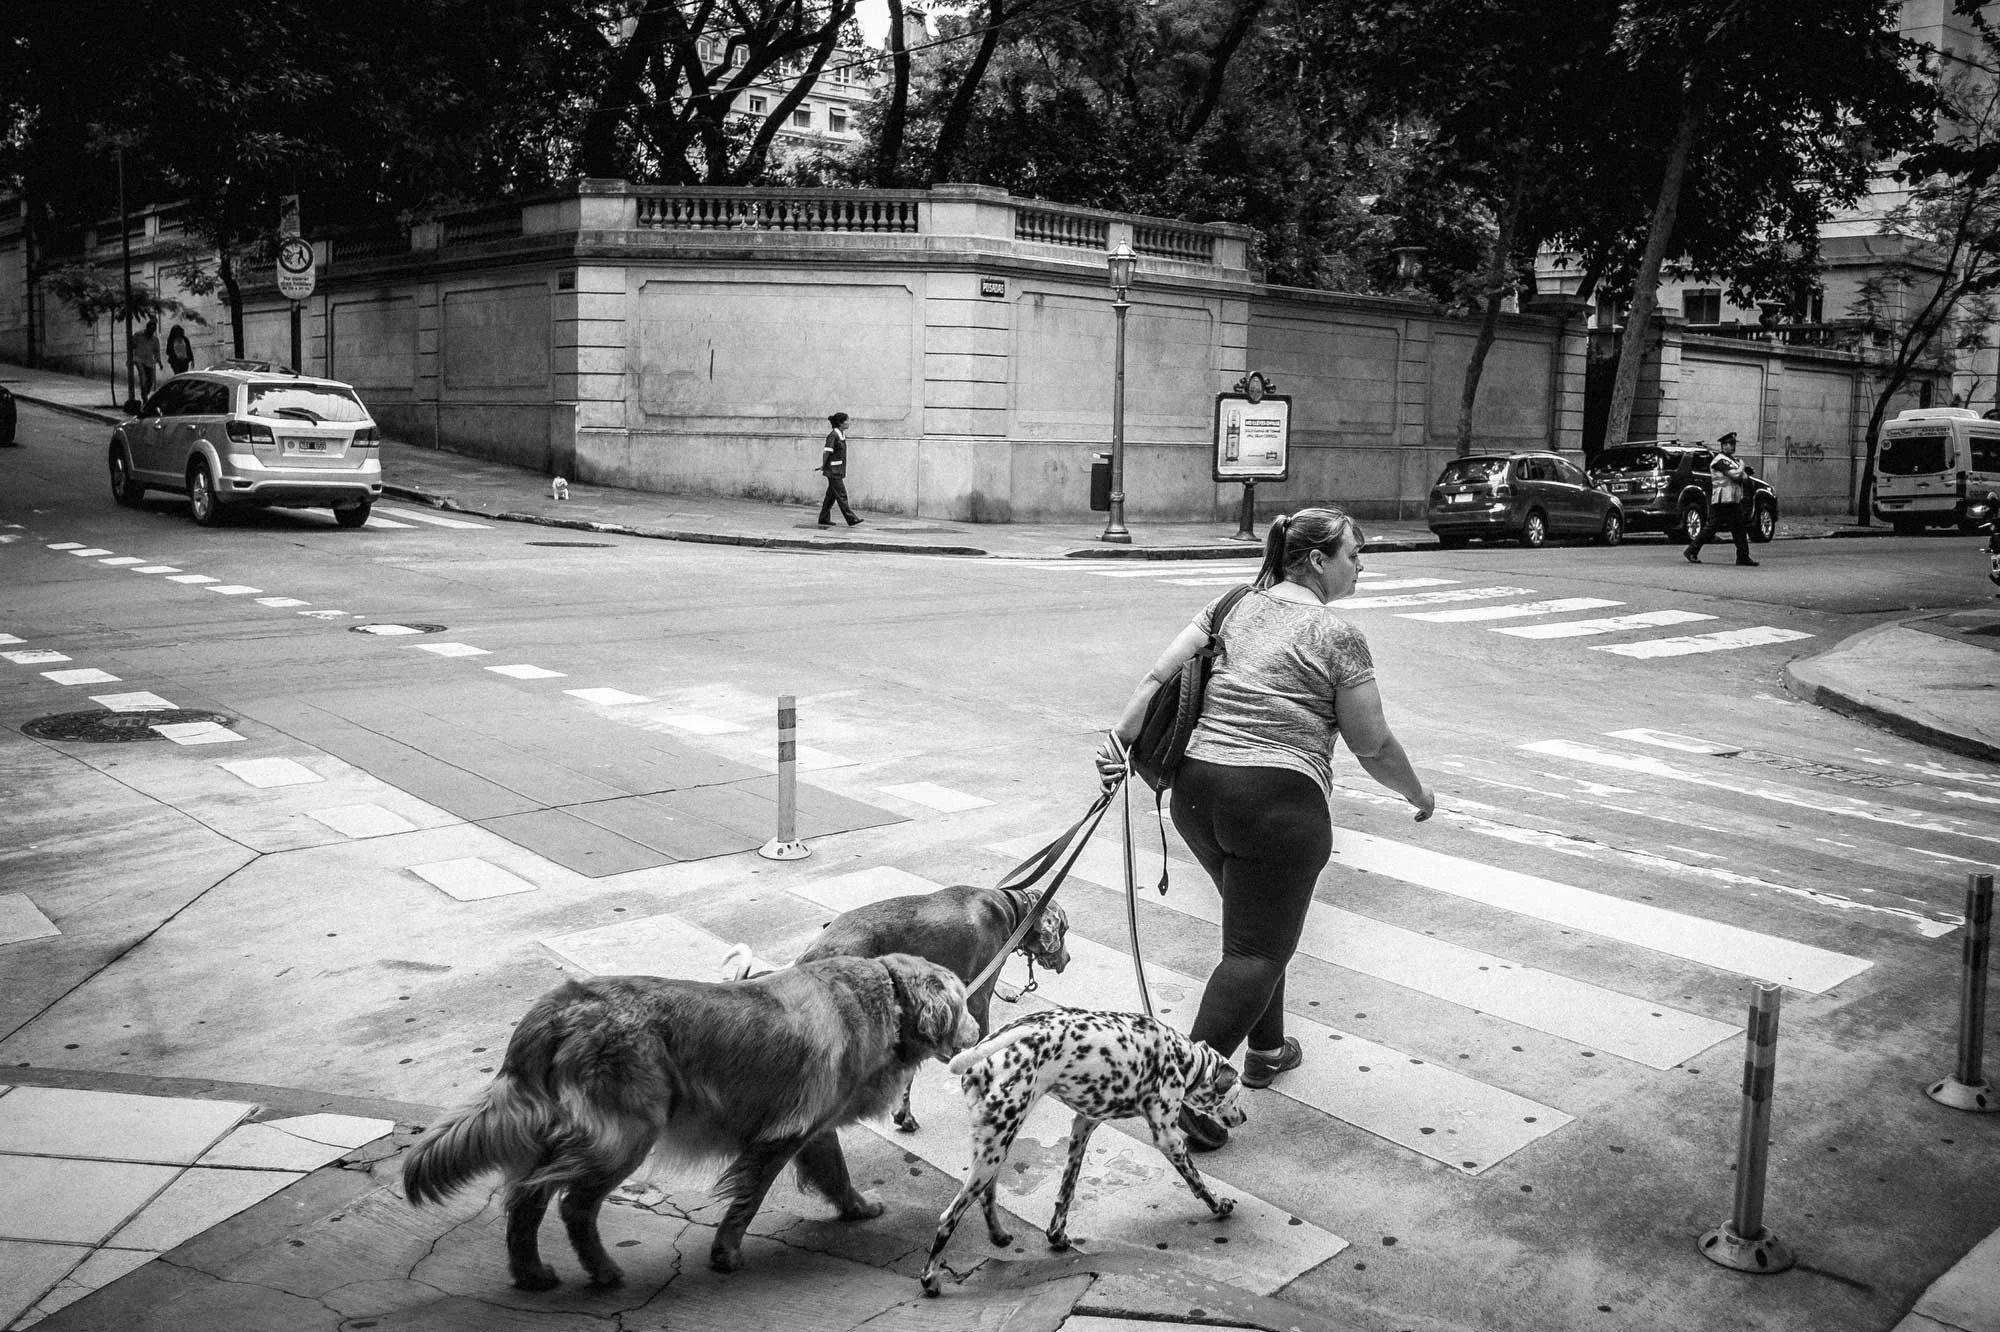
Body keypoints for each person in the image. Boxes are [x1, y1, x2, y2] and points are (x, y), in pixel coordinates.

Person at [1095, 507, 1435, 1151]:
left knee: (1253, 934)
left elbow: (1154, 679)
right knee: (1256, 951)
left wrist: (1116, 745)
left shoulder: (1232, 606)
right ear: (1316, 560)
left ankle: (1267, 1051)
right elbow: (1373, 744)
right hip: (1276, 805)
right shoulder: (1337, 635)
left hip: (1195, 794)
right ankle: (1187, 1091)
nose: (1361, 566)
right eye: (1353, 554)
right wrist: (1419, 793)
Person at [1683, 431, 1757, 566]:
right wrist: (1742, 466)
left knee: (1739, 527)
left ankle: (1743, 556)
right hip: (1722, 499)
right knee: (1713, 527)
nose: (1732, 446)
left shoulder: (1732, 460)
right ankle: (1691, 550)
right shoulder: (1719, 460)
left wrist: (1741, 470)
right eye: (1729, 444)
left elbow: (1744, 477)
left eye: (1733, 444)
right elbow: (1735, 475)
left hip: (1733, 499)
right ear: (1723, 445)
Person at [817, 411, 862, 527]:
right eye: (847, 420)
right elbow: (827, 452)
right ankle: (851, 518)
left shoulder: (841, 435)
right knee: (842, 495)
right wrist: (823, 465)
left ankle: (823, 518)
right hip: (833, 471)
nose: (849, 422)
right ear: (840, 423)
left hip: (838, 470)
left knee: (830, 497)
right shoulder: (833, 436)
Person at [131, 318, 162, 398]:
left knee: (150, 381)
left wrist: (159, 362)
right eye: (150, 330)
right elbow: (131, 347)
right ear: (147, 328)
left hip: (149, 362)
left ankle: (145, 393)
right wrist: (130, 359)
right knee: (143, 379)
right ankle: (145, 399)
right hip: (139, 359)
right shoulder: (138, 335)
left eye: (153, 330)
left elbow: (157, 351)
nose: (151, 332)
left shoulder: (155, 339)